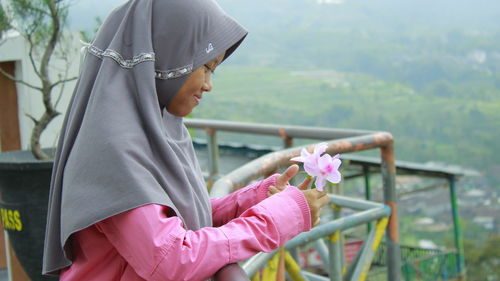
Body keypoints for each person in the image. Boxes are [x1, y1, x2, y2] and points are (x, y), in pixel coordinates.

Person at [42, 0, 329, 280]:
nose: (208, 84)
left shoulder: (161, 129)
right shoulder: (114, 151)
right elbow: (171, 258)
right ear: (169, 57)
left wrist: (256, 199)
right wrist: (279, 218)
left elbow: (184, 217)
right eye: (204, 66)